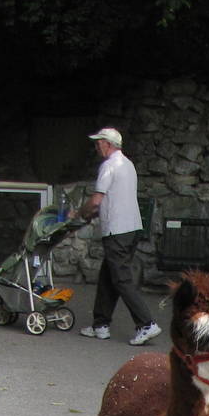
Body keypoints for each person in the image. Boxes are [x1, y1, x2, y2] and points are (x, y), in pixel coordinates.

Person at [77, 126, 157, 345]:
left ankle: (146, 323)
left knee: (121, 278)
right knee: (108, 275)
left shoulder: (109, 166)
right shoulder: (128, 164)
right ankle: (100, 324)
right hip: (131, 228)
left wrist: (80, 214)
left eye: (98, 142)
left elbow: (96, 200)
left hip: (116, 230)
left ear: (108, 144)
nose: (96, 147)